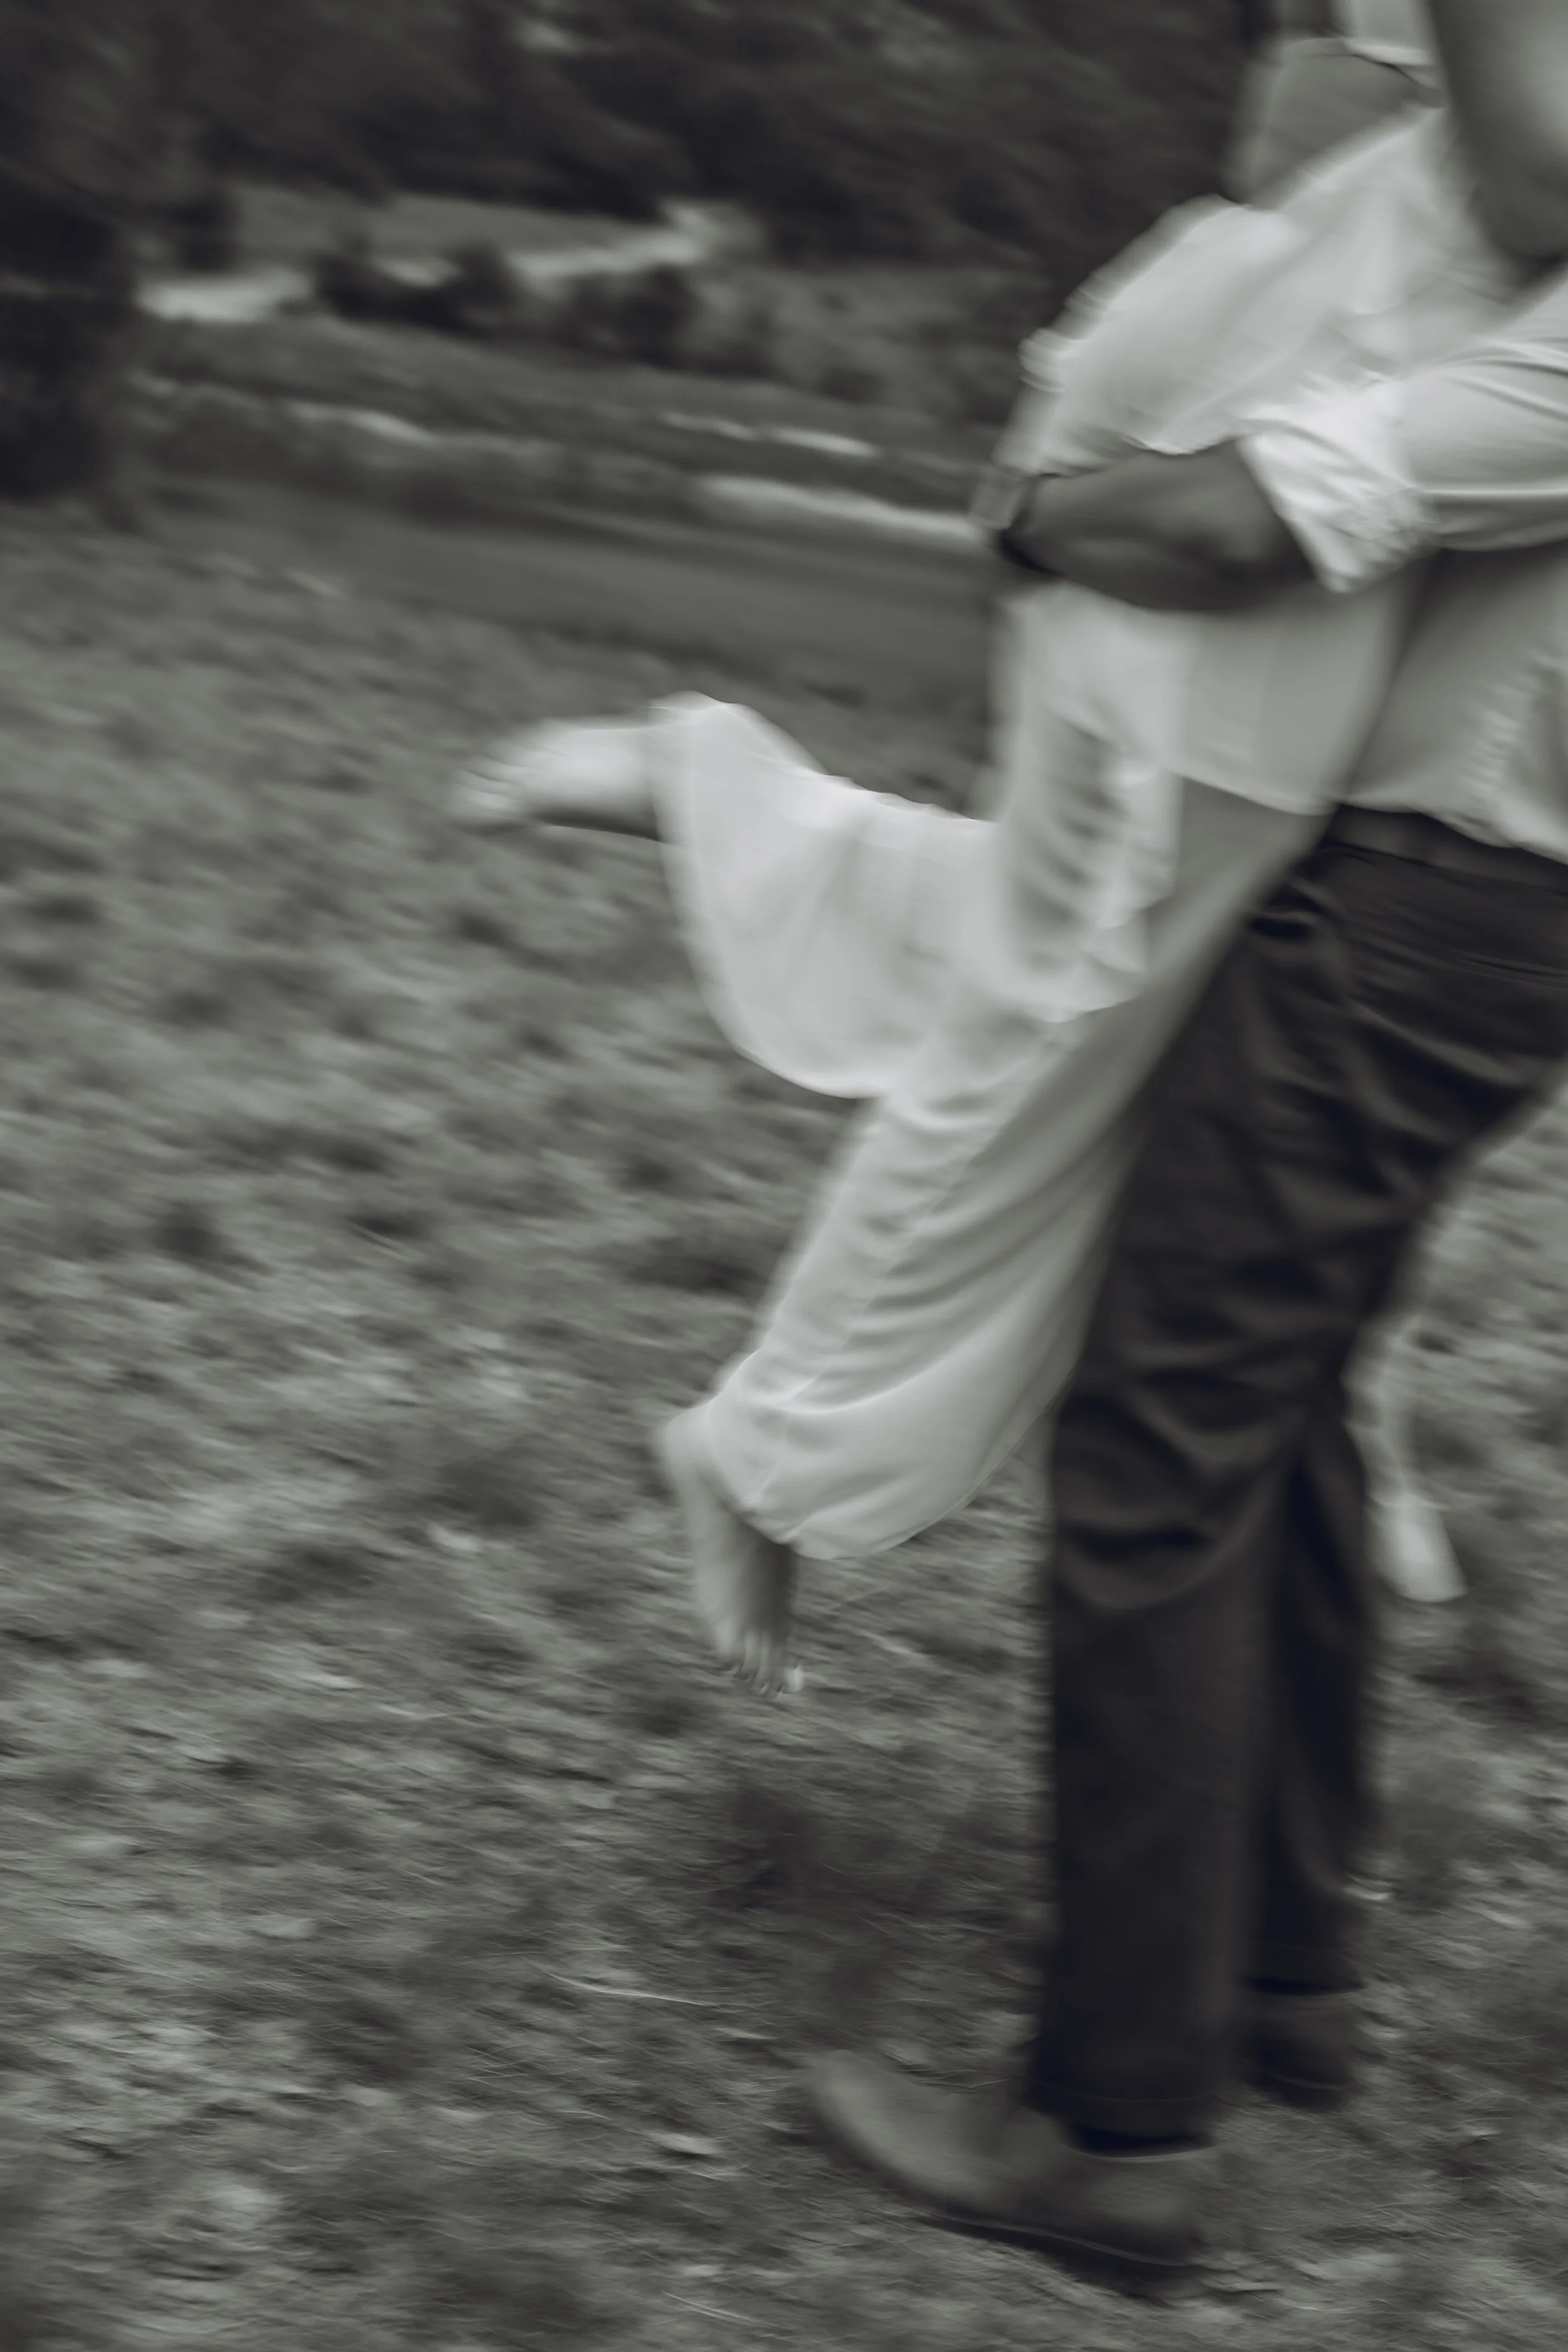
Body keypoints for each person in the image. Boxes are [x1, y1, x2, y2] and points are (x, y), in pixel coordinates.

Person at [806, 0, 1568, 2272]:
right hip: (1475, 893)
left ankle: (1114, 2130)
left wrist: (1029, 503)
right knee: (1296, 1385)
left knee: (1154, 1442)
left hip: (1449, 900)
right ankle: (1286, 1974)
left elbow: (1257, 514)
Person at [455, 0, 1481, 1688]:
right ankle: (763, 1442)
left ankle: (706, 785)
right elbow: (1310, 163)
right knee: (1059, 1024)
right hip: (1245, 516)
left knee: (1214, 996)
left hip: (1323, 519)